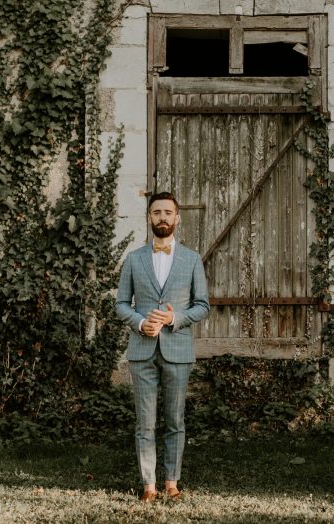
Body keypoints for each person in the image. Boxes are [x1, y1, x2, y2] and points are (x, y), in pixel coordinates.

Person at [116, 191, 210, 502]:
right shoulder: (134, 259)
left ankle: (172, 481)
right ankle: (148, 486)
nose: (162, 218)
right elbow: (120, 305)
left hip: (178, 351)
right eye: (156, 213)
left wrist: (174, 318)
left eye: (168, 212)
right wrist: (142, 323)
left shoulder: (192, 259)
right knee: (145, 421)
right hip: (142, 350)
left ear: (177, 218)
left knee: (175, 420)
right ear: (149, 218)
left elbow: (202, 306)